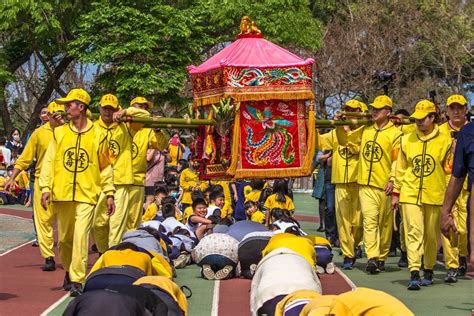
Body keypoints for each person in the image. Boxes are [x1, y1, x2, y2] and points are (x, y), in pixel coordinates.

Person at [39, 88, 116, 297]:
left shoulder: (99, 135)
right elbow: (49, 162)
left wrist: (109, 192)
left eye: (69, 104)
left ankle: (77, 279)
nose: (66, 108)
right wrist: (45, 188)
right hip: (62, 194)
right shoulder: (60, 133)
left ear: (81, 107)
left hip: (87, 194)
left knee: (82, 236)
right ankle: (68, 270)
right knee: (64, 240)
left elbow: (106, 166)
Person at [392, 100, 452, 290]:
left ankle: (429, 268)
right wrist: (396, 192)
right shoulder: (406, 139)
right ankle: (414, 272)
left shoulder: (445, 140)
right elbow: (400, 168)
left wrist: (450, 199)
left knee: (431, 236)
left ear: (432, 117)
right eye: (416, 118)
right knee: (413, 233)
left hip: (434, 194)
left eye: (422, 118)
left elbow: (449, 170)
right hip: (409, 193)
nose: (418, 122)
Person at [338, 95, 402, 274]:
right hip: (365, 184)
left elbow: (397, 161)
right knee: (369, 221)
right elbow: (347, 142)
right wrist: (343, 128)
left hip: (384, 186)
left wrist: (393, 180)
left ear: (388, 112)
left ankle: (381, 257)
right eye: (373, 108)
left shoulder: (396, 134)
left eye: (378, 109)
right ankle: (372, 257)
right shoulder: (366, 130)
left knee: (385, 224)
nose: (374, 111)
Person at [5, 101, 65, 271]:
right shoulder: (39, 134)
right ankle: (48, 257)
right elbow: (25, 158)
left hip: (64, 182)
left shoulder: (71, 131)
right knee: (43, 221)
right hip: (41, 181)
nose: (56, 117)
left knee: (66, 222)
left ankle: (68, 255)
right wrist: (13, 177)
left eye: (59, 113)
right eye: (52, 114)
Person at [92, 94, 142, 254]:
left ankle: (112, 257)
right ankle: (103, 252)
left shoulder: (126, 127)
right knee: (97, 224)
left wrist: (127, 111)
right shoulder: (92, 128)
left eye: (111, 108)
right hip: (98, 183)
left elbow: (145, 115)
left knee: (116, 224)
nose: (108, 111)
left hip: (120, 183)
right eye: (105, 108)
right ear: (99, 108)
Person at [323, 99, 365, 269]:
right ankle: (348, 254)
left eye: (354, 110)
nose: (349, 113)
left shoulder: (367, 132)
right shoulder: (335, 132)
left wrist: (349, 133)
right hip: (340, 181)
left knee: (359, 221)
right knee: (343, 221)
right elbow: (320, 141)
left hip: (359, 181)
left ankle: (357, 244)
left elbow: (357, 149)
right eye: (347, 110)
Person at [117, 96, 167, 231]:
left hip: (137, 180)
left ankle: (130, 245)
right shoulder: (121, 124)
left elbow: (161, 145)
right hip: (117, 179)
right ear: (132, 108)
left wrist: (157, 130)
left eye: (146, 108)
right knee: (116, 216)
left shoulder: (147, 130)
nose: (144, 110)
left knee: (133, 218)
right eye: (141, 106)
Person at [438, 94, 469, 281]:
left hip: (466, 181)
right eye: (452, 108)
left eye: (460, 108)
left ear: (466, 109)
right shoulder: (439, 130)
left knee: (464, 227)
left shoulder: (471, 130)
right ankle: (452, 265)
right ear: (447, 110)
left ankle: (462, 254)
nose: (456, 111)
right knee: (447, 221)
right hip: (445, 180)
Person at [144, 146, 168, 211]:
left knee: (157, 200)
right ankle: (146, 217)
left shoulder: (162, 150)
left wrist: (165, 150)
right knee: (150, 200)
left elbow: (170, 159)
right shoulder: (150, 149)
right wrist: (155, 148)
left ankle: (153, 215)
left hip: (160, 181)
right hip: (150, 180)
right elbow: (148, 158)